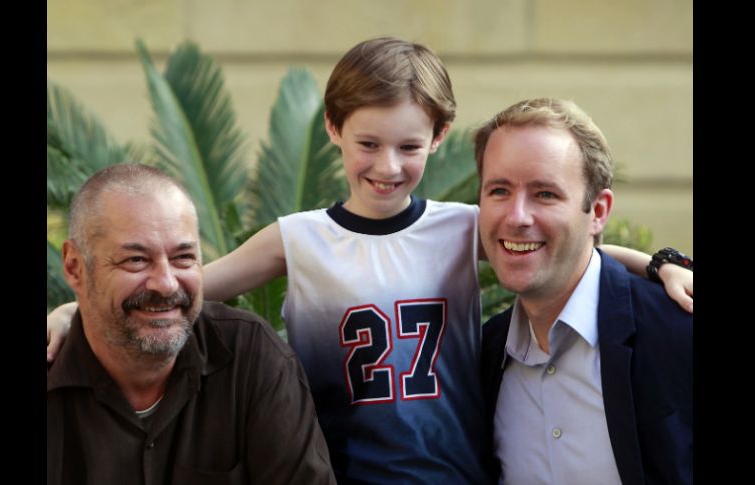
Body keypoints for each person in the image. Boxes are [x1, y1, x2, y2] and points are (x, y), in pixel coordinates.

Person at [47, 38, 692, 483]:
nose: (388, 165)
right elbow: (182, 288)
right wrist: (76, 310)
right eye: (368, 143)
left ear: (437, 138)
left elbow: (575, 250)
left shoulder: (461, 226)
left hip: (458, 473)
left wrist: (661, 263)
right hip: (345, 473)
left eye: (409, 146)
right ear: (333, 128)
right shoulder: (296, 238)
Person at [47, 164, 335, 485]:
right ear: (74, 267)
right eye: (136, 260)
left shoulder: (250, 356)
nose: (166, 284)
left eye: (183, 257)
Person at [476, 98, 692, 484]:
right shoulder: (483, 358)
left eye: (545, 194)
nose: (517, 217)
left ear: (599, 212)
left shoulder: (678, 329)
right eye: (499, 190)